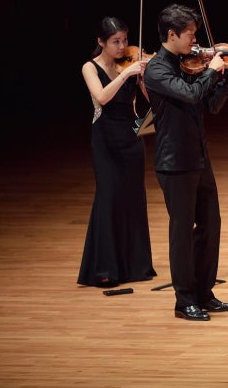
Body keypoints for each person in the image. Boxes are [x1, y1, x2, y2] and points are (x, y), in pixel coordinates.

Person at [144, 4, 228, 321]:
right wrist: (213, 69)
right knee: (182, 232)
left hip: (199, 158)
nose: (195, 40)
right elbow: (191, 94)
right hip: (174, 162)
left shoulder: (189, 66)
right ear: (172, 34)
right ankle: (184, 300)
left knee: (210, 225)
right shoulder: (157, 70)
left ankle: (205, 294)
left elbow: (212, 105)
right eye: (190, 33)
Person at [78, 16, 157, 288]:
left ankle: (135, 266)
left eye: (125, 40)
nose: (122, 47)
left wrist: (145, 79)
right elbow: (101, 97)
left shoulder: (130, 64)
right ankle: (105, 268)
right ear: (101, 42)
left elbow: (150, 100)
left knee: (133, 199)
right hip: (106, 141)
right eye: (115, 41)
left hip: (131, 139)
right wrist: (126, 74)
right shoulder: (90, 67)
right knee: (108, 197)